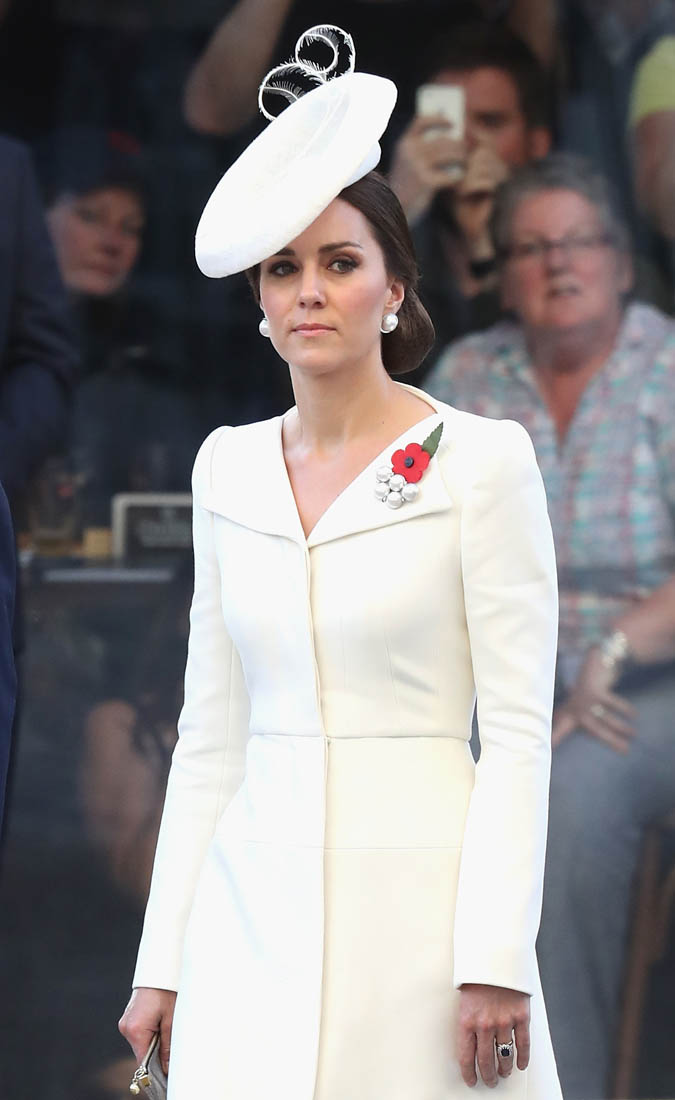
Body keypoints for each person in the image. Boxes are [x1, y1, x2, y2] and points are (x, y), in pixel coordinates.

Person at [119, 28, 562, 1098]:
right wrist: (161, 963)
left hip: (424, 924)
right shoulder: (226, 467)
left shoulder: (483, 459)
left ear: (395, 287)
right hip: (249, 919)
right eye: (284, 268)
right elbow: (208, 740)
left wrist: (495, 958)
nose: (309, 290)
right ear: (261, 302)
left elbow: (515, 739)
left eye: (340, 262)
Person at [426, 151, 675, 1099]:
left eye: (578, 242)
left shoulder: (665, 365)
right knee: (409, 777)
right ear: (503, 275)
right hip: (498, 681)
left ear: (621, 262)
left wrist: (610, 651)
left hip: (643, 683)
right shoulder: (468, 375)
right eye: (529, 248)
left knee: (562, 799)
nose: (557, 262)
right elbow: (417, 544)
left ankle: (547, 1085)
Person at [388, 23, 552, 368]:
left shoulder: (579, 250)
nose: (466, 142)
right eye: (447, 124)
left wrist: (489, 244)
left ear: (538, 144)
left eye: (490, 122)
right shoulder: (396, 250)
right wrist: (391, 207)